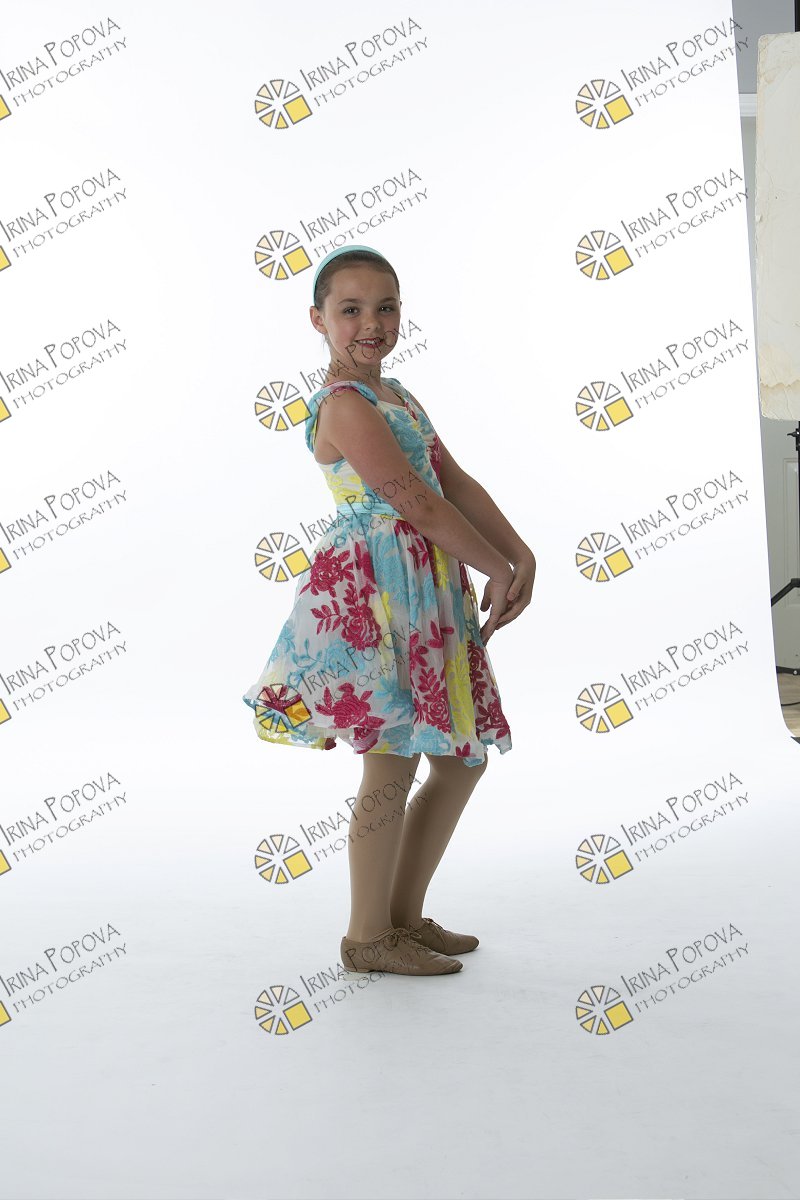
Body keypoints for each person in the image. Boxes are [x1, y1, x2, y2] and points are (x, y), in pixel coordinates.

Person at [242, 244, 536, 978]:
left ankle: (401, 918)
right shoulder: (344, 405)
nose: (371, 323)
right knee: (392, 761)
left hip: (426, 587)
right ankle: (366, 936)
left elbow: (451, 481)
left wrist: (518, 552)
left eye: (386, 307)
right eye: (351, 309)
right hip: (375, 595)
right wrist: (495, 566)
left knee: (458, 762)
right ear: (318, 320)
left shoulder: (397, 394)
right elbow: (413, 502)